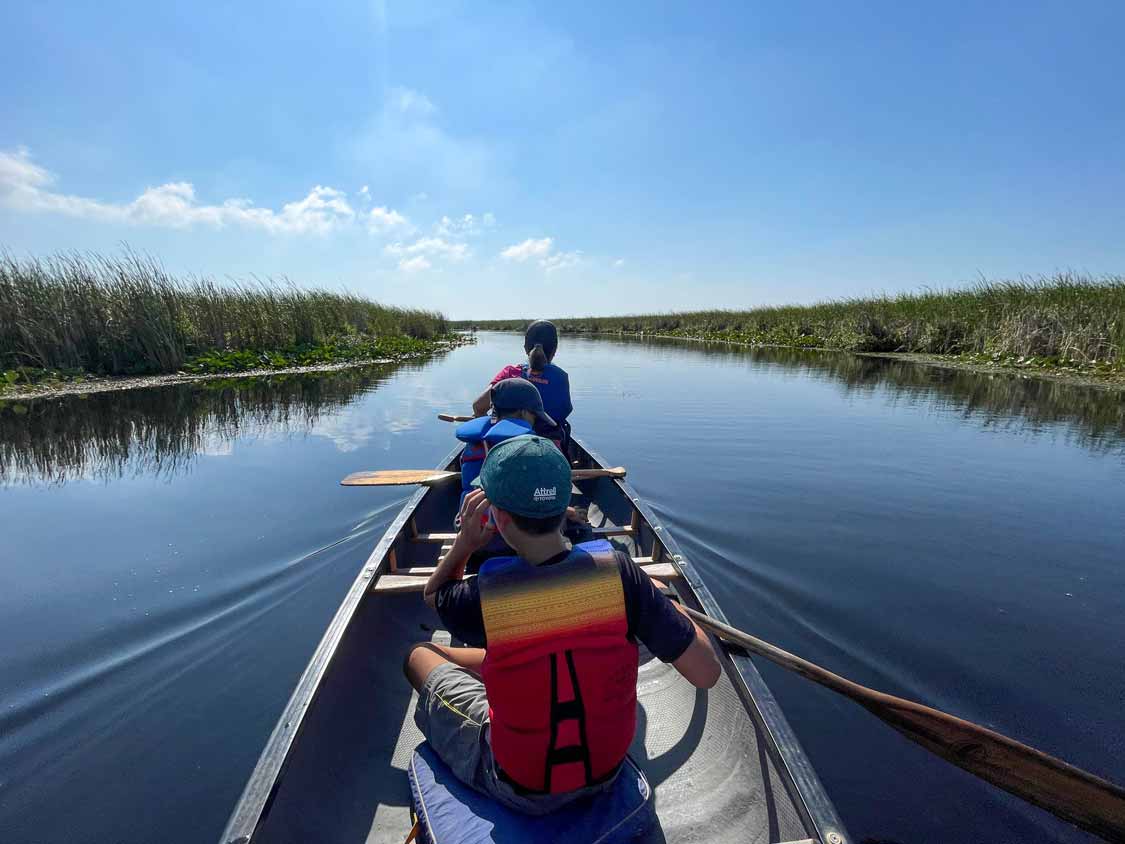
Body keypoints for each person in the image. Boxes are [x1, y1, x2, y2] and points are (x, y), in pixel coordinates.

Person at [404, 435, 720, 815]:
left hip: (517, 783)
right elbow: (706, 674)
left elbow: (434, 593)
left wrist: (465, 544)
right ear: (566, 507)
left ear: (498, 519)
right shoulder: (622, 576)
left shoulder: (485, 596)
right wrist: (665, 602)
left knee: (420, 655)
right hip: (606, 771)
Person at [472, 320, 572, 445]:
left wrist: (490, 423)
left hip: (507, 443)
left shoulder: (509, 373)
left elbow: (478, 407)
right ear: (555, 350)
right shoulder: (561, 377)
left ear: (525, 347)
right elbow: (563, 412)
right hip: (549, 444)